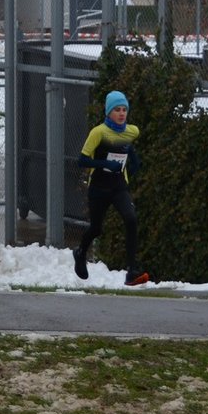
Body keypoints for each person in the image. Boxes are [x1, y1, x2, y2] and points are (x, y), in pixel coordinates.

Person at [72, 90, 150, 287]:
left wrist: (134, 160)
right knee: (96, 228)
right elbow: (82, 160)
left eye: (124, 109)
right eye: (117, 110)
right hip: (99, 187)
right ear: (108, 112)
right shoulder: (98, 132)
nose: (122, 113)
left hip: (119, 187)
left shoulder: (132, 131)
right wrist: (105, 164)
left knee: (131, 219)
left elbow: (127, 146)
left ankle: (131, 271)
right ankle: (80, 253)